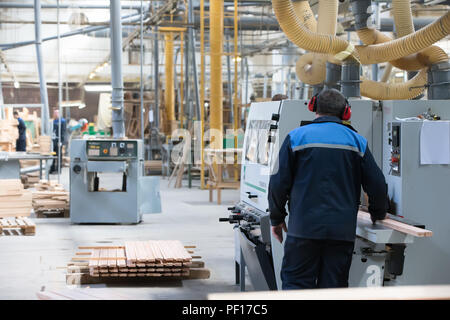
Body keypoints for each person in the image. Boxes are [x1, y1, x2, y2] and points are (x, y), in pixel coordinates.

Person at [268, 88, 387, 289]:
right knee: (334, 290)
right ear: (346, 113)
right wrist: (378, 212)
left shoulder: (296, 137)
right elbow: (377, 184)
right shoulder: (357, 142)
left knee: (296, 286)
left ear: (313, 107)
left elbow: (278, 183)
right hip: (340, 233)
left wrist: (276, 218)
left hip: (303, 229)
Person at [49, 109, 66, 174]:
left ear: (59, 113)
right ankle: (52, 168)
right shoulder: (54, 121)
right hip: (54, 140)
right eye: (54, 113)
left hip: (59, 141)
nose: (55, 114)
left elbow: (63, 131)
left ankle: (58, 169)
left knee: (59, 155)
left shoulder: (62, 121)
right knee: (53, 154)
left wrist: (61, 141)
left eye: (56, 113)